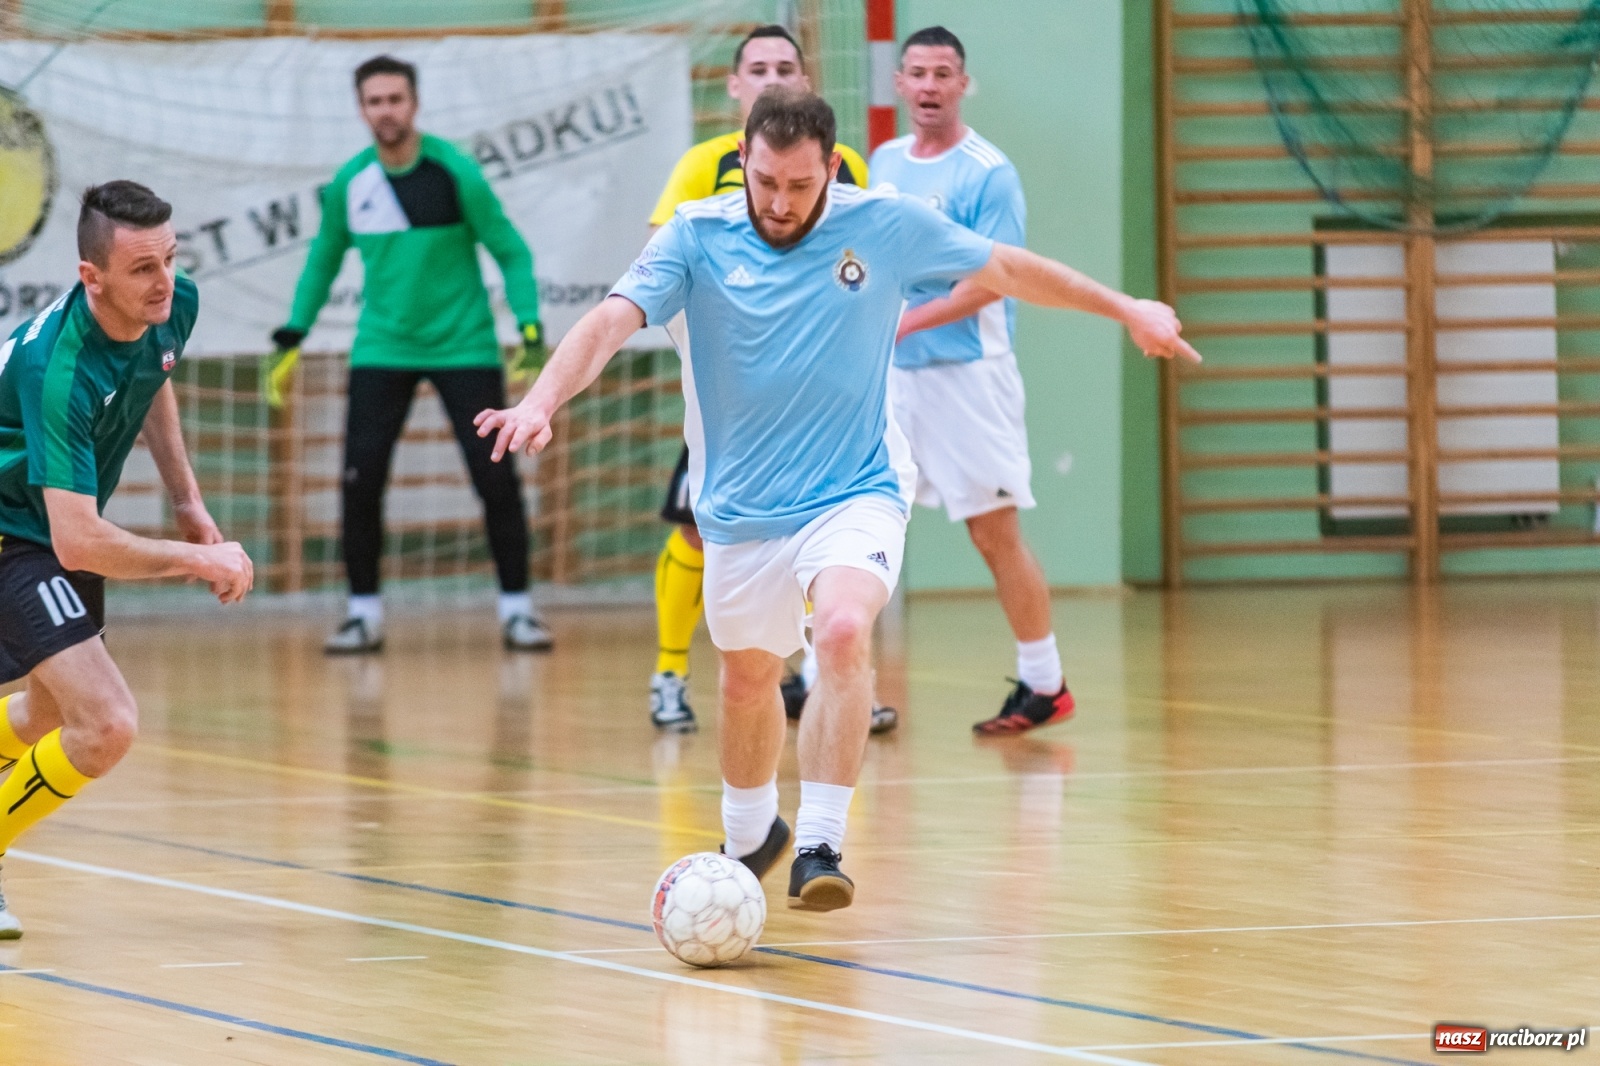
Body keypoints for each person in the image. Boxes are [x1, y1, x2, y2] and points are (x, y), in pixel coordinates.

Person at [476, 89, 1199, 911]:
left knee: (846, 630)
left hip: (854, 488)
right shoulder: (695, 235)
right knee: (749, 680)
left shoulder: (882, 224)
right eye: (766, 183)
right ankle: (750, 835)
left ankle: (820, 843)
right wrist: (539, 402)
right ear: (743, 160)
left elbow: (1004, 268)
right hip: (742, 511)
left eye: (800, 186)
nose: (781, 204)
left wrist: (1125, 307)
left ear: (831, 170)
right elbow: (608, 323)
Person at [0, 181, 254, 938]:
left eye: (170, 259)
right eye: (142, 268)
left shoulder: (171, 305)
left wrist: (186, 498)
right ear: (91, 277)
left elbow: (154, 377)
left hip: (50, 524)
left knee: (48, 715)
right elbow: (79, 541)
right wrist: (197, 560)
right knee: (105, 724)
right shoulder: (59, 368)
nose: (164, 282)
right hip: (17, 532)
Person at [644, 24, 893, 736]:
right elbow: (655, 270)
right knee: (699, 529)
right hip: (737, 404)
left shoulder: (845, 167)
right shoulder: (704, 165)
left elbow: (861, 267)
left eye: (786, 65)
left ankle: (828, 676)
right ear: (734, 85)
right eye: (758, 67)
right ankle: (668, 674)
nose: (772, 76)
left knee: (829, 533)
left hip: (821, 402)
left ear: (808, 81)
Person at [271, 54, 551, 655]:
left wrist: (529, 326)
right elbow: (322, 260)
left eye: (395, 99)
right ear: (362, 108)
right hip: (382, 347)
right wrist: (294, 332)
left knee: (495, 478)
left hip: (465, 345)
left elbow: (511, 250)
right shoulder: (352, 182)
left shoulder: (457, 173)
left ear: (414, 104)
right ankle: (363, 616)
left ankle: (518, 612)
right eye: (375, 101)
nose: (386, 111)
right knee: (359, 482)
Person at [871, 26, 1077, 735]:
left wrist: (910, 321)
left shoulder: (989, 172)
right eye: (918, 73)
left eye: (943, 74)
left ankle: (1044, 683)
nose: (929, 86)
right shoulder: (885, 161)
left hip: (968, 375)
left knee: (993, 532)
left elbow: (998, 279)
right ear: (899, 84)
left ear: (963, 84)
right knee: (861, 519)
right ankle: (828, 677)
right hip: (895, 379)